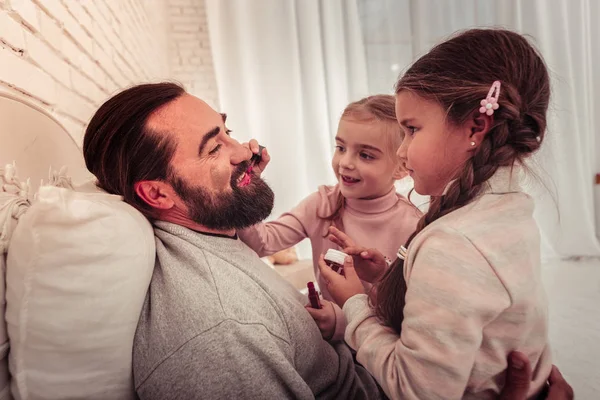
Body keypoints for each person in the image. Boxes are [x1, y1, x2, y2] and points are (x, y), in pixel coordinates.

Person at [82, 82, 571, 399]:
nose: (247, 149)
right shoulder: (219, 336)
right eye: (215, 146)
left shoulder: (211, 231)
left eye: (228, 131)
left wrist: (368, 299)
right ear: (157, 192)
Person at [320, 28, 556, 399]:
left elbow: (414, 389)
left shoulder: (453, 243)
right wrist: (390, 282)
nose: (402, 151)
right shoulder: (509, 206)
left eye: (412, 130)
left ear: (476, 127)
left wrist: (354, 304)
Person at [239, 95, 420, 340]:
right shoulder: (321, 204)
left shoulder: (414, 226)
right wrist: (247, 186)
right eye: (341, 148)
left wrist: (343, 322)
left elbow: (409, 316)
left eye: (365, 155)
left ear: (401, 167)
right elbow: (263, 243)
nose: (345, 163)